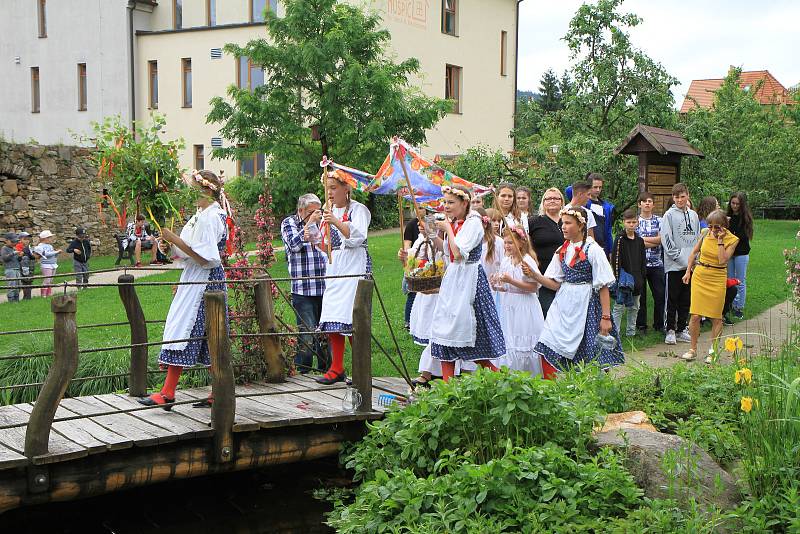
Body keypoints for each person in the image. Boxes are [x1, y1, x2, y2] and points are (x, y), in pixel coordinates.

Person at [138, 170, 230, 408]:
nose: (191, 195)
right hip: (194, 278)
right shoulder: (199, 215)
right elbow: (188, 252)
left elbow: (207, 258)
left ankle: (175, 392)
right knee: (195, 333)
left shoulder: (212, 216)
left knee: (201, 334)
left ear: (208, 191)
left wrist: (176, 240)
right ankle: (174, 392)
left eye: (195, 190)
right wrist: (170, 246)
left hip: (207, 281)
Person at [529, 206, 624, 378]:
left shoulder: (593, 249)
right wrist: (535, 275)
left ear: (580, 225)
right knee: (548, 339)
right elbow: (554, 283)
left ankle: (598, 386)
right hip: (564, 303)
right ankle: (557, 385)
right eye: (562, 223)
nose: (563, 227)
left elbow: (603, 285)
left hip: (588, 302)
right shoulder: (562, 250)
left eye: (568, 223)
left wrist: (606, 317)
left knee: (592, 348)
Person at [429, 185, 505, 381]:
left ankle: (502, 382)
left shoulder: (474, 223)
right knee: (446, 333)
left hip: (470, 280)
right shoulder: (455, 222)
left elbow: (458, 252)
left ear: (465, 203)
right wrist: (431, 233)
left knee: (473, 337)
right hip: (454, 279)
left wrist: (447, 229)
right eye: (444, 202)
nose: (446, 206)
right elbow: (448, 253)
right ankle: (448, 389)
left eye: (451, 202)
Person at [314, 170, 372, 385]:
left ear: (346, 188)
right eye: (327, 188)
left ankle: (361, 368)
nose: (329, 192)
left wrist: (336, 222)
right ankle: (337, 367)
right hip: (335, 267)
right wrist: (315, 232)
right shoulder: (328, 211)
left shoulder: (358, 210)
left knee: (352, 318)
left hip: (354, 265)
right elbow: (325, 245)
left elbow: (358, 237)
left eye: (333, 188)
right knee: (333, 315)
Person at [680, 210, 739, 363]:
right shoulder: (705, 233)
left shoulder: (732, 240)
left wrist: (720, 241)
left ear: (724, 226)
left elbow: (722, 260)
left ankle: (713, 352)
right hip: (700, 275)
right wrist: (688, 272)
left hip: (717, 277)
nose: (713, 230)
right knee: (695, 315)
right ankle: (692, 349)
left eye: (717, 227)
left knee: (716, 316)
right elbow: (694, 252)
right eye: (711, 226)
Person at [280, 193, 329, 374]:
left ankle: (327, 369)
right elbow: (293, 246)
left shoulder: (323, 223)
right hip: (303, 288)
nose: (317, 215)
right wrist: (308, 225)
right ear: (301, 210)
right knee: (307, 333)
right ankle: (304, 371)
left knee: (326, 332)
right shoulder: (289, 223)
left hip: (325, 286)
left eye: (319, 211)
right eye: (311, 212)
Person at [400, 221, 444, 388]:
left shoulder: (441, 238)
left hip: (440, 290)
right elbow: (414, 265)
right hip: (427, 289)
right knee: (432, 332)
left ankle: (429, 373)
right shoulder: (420, 240)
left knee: (438, 331)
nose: (420, 224)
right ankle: (430, 372)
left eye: (424, 222)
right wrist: (405, 258)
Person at [494, 227, 544, 374]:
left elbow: (533, 287)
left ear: (521, 243)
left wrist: (511, 281)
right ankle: (510, 373)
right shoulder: (506, 260)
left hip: (525, 305)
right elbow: (507, 287)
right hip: (509, 305)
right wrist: (497, 285)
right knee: (510, 339)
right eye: (506, 242)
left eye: (511, 243)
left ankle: (528, 373)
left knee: (524, 338)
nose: (507, 246)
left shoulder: (526, 261)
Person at [661, 183, 700, 345]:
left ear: (687, 196)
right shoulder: (668, 216)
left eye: (682, 196)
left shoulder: (694, 215)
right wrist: (680, 258)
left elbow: (698, 238)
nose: (679, 200)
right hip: (675, 265)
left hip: (690, 266)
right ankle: (670, 329)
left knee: (686, 298)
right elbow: (667, 239)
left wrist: (694, 259)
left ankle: (681, 328)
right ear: (673, 198)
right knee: (672, 298)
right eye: (676, 197)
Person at [528, 187, 565, 317]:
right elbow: (526, 246)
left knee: (564, 313)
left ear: (562, 202)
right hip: (543, 275)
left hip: (566, 275)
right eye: (548, 198)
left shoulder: (568, 221)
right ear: (543, 202)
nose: (552, 201)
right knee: (547, 312)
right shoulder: (534, 222)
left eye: (556, 198)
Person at [611, 209, 647, 337]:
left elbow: (643, 260)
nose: (631, 224)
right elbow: (615, 259)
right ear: (623, 223)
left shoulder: (640, 241)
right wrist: (617, 277)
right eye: (628, 222)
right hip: (623, 279)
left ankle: (631, 333)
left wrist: (642, 277)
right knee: (619, 306)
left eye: (634, 222)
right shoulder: (620, 239)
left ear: (637, 222)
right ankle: (615, 333)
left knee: (635, 307)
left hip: (637, 278)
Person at [635, 191, 665, 334]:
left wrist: (643, 241)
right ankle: (641, 326)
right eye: (644, 201)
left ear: (653, 204)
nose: (647, 203)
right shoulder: (634, 221)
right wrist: (651, 241)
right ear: (639, 204)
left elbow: (662, 239)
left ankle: (659, 324)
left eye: (650, 201)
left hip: (657, 263)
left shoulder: (660, 221)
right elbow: (635, 243)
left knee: (660, 295)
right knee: (641, 297)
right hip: (640, 264)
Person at [727, 192, 753, 319]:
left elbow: (742, 236)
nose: (735, 206)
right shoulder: (728, 217)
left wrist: (731, 235)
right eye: (733, 203)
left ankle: (739, 307)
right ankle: (732, 303)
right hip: (730, 253)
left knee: (740, 281)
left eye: (737, 204)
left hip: (741, 253)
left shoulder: (745, 218)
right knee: (730, 280)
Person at [402, 205, 426, 330]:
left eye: (422, 207)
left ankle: (420, 320)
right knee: (412, 293)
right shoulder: (412, 225)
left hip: (427, 266)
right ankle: (408, 320)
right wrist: (406, 256)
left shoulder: (429, 225)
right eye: (418, 208)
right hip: (416, 263)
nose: (420, 210)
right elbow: (408, 245)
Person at [587, 173, 614, 256]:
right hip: (587, 247)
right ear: (589, 187)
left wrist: (611, 250)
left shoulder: (606, 207)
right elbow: (569, 190)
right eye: (595, 187)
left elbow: (608, 231)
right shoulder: (584, 204)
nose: (598, 190)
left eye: (600, 187)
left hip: (603, 248)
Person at [33, 230, 61, 298]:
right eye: (50, 237)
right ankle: (43, 295)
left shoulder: (50, 246)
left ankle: (49, 294)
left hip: (53, 264)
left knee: (51, 280)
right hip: (46, 265)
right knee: (47, 280)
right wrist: (56, 252)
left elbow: (52, 255)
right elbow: (46, 254)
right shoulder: (40, 246)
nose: (51, 239)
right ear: (45, 238)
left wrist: (56, 253)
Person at [2, 233, 22, 303]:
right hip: (10, 269)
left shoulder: (14, 248)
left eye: (15, 242)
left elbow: (17, 259)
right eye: (12, 242)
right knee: (12, 285)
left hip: (17, 269)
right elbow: (4, 258)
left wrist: (20, 256)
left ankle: (16, 300)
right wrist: (13, 253)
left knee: (18, 285)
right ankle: (11, 301)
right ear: (6, 241)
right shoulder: (4, 249)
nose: (14, 243)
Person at [16, 232, 35, 300]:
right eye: (25, 239)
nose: (27, 240)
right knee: (25, 281)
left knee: (29, 281)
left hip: (30, 266)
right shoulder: (18, 246)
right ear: (20, 239)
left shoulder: (29, 247)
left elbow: (32, 256)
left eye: (28, 239)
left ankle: (28, 297)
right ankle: (26, 297)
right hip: (23, 267)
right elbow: (19, 256)